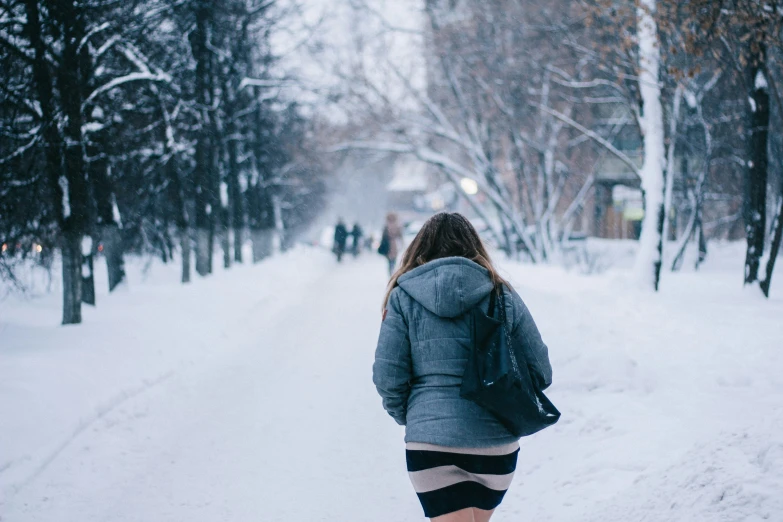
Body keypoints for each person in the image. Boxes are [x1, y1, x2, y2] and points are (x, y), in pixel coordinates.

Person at [373, 212, 552, 522]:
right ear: (475, 246)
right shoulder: (502, 294)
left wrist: (415, 416)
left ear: (419, 249)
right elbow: (540, 372)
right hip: (495, 445)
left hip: (431, 445)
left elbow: (388, 376)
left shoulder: (402, 298)